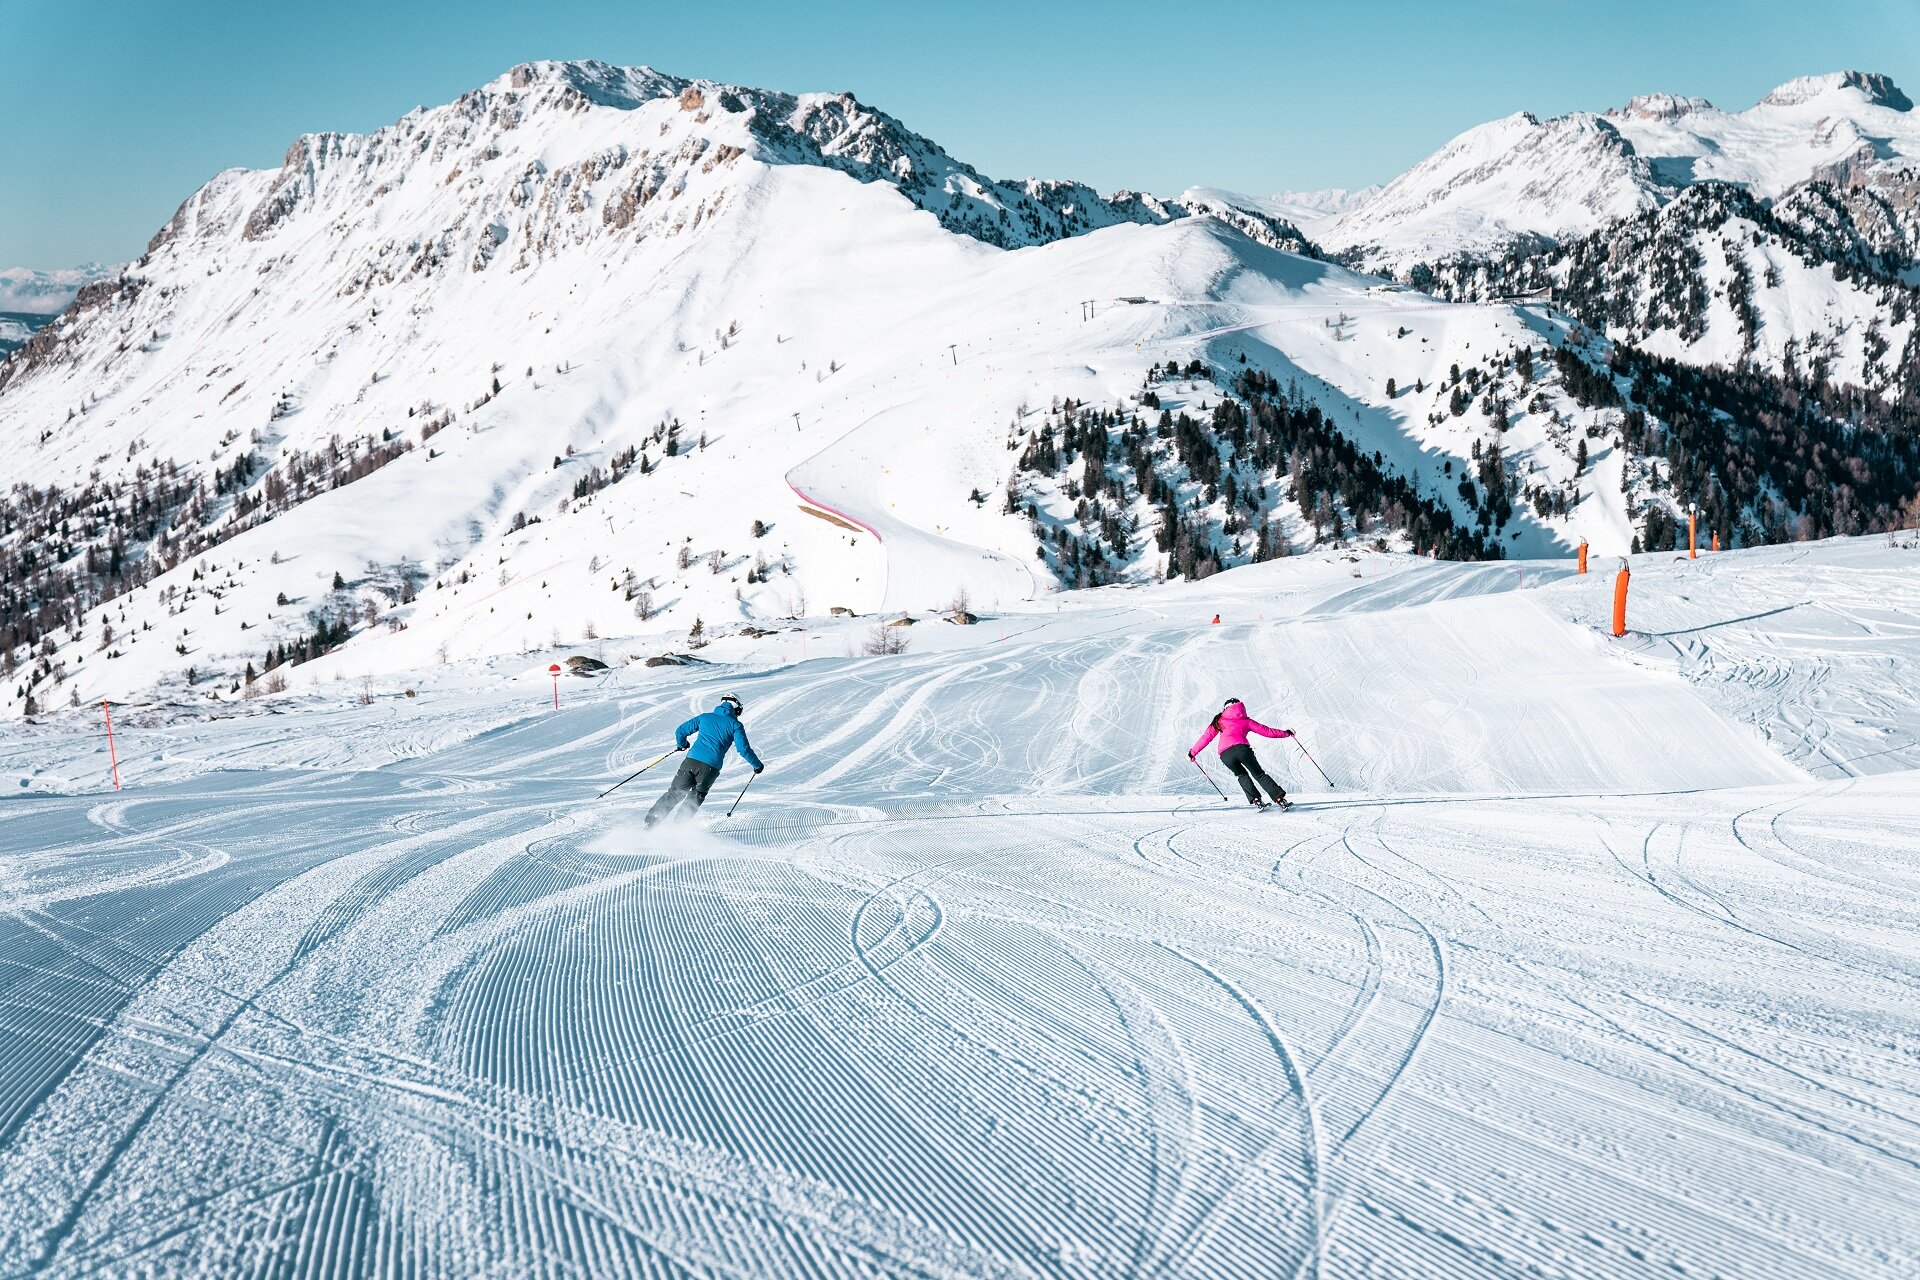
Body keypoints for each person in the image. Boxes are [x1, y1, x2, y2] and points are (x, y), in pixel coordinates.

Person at [645, 693, 764, 826]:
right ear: (736, 707)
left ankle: (650, 823)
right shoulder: (735, 725)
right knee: (695, 797)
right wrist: (757, 765)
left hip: (691, 762)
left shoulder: (705, 717)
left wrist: (682, 745)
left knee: (674, 793)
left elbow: (681, 731)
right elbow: (743, 750)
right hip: (710, 769)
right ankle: (677, 828)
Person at [1190, 697, 1293, 810]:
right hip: (1242, 750)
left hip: (1226, 755)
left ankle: (1256, 800)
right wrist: (1286, 733)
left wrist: (1193, 752)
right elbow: (1267, 731)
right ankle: (1279, 799)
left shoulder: (1219, 720)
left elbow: (1206, 737)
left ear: (1225, 708)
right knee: (1259, 774)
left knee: (1241, 775)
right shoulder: (1246, 720)